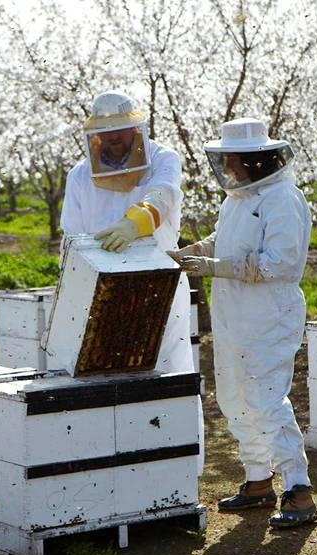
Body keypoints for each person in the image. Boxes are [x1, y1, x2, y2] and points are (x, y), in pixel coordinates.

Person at [167, 117, 317, 528]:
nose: (227, 167)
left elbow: (281, 264)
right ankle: (257, 480)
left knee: (266, 399)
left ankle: (299, 489)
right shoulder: (235, 199)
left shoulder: (283, 199)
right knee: (234, 398)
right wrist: (197, 250)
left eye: (233, 159)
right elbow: (225, 241)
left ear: (254, 160)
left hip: (270, 314)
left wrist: (215, 267)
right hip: (233, 314)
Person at [61, 90, 205, 474]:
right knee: (108, 376)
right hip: (103, 292)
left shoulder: (163, 160)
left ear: (136, 128)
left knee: (169, 373)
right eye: (105, 132)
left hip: (158, 284)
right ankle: (122, 476)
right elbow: (71, 237)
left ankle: (180, 471)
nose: (112, 139)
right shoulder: (80, 175)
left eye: (120, 131)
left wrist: (133, 223)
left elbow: (164, 195)